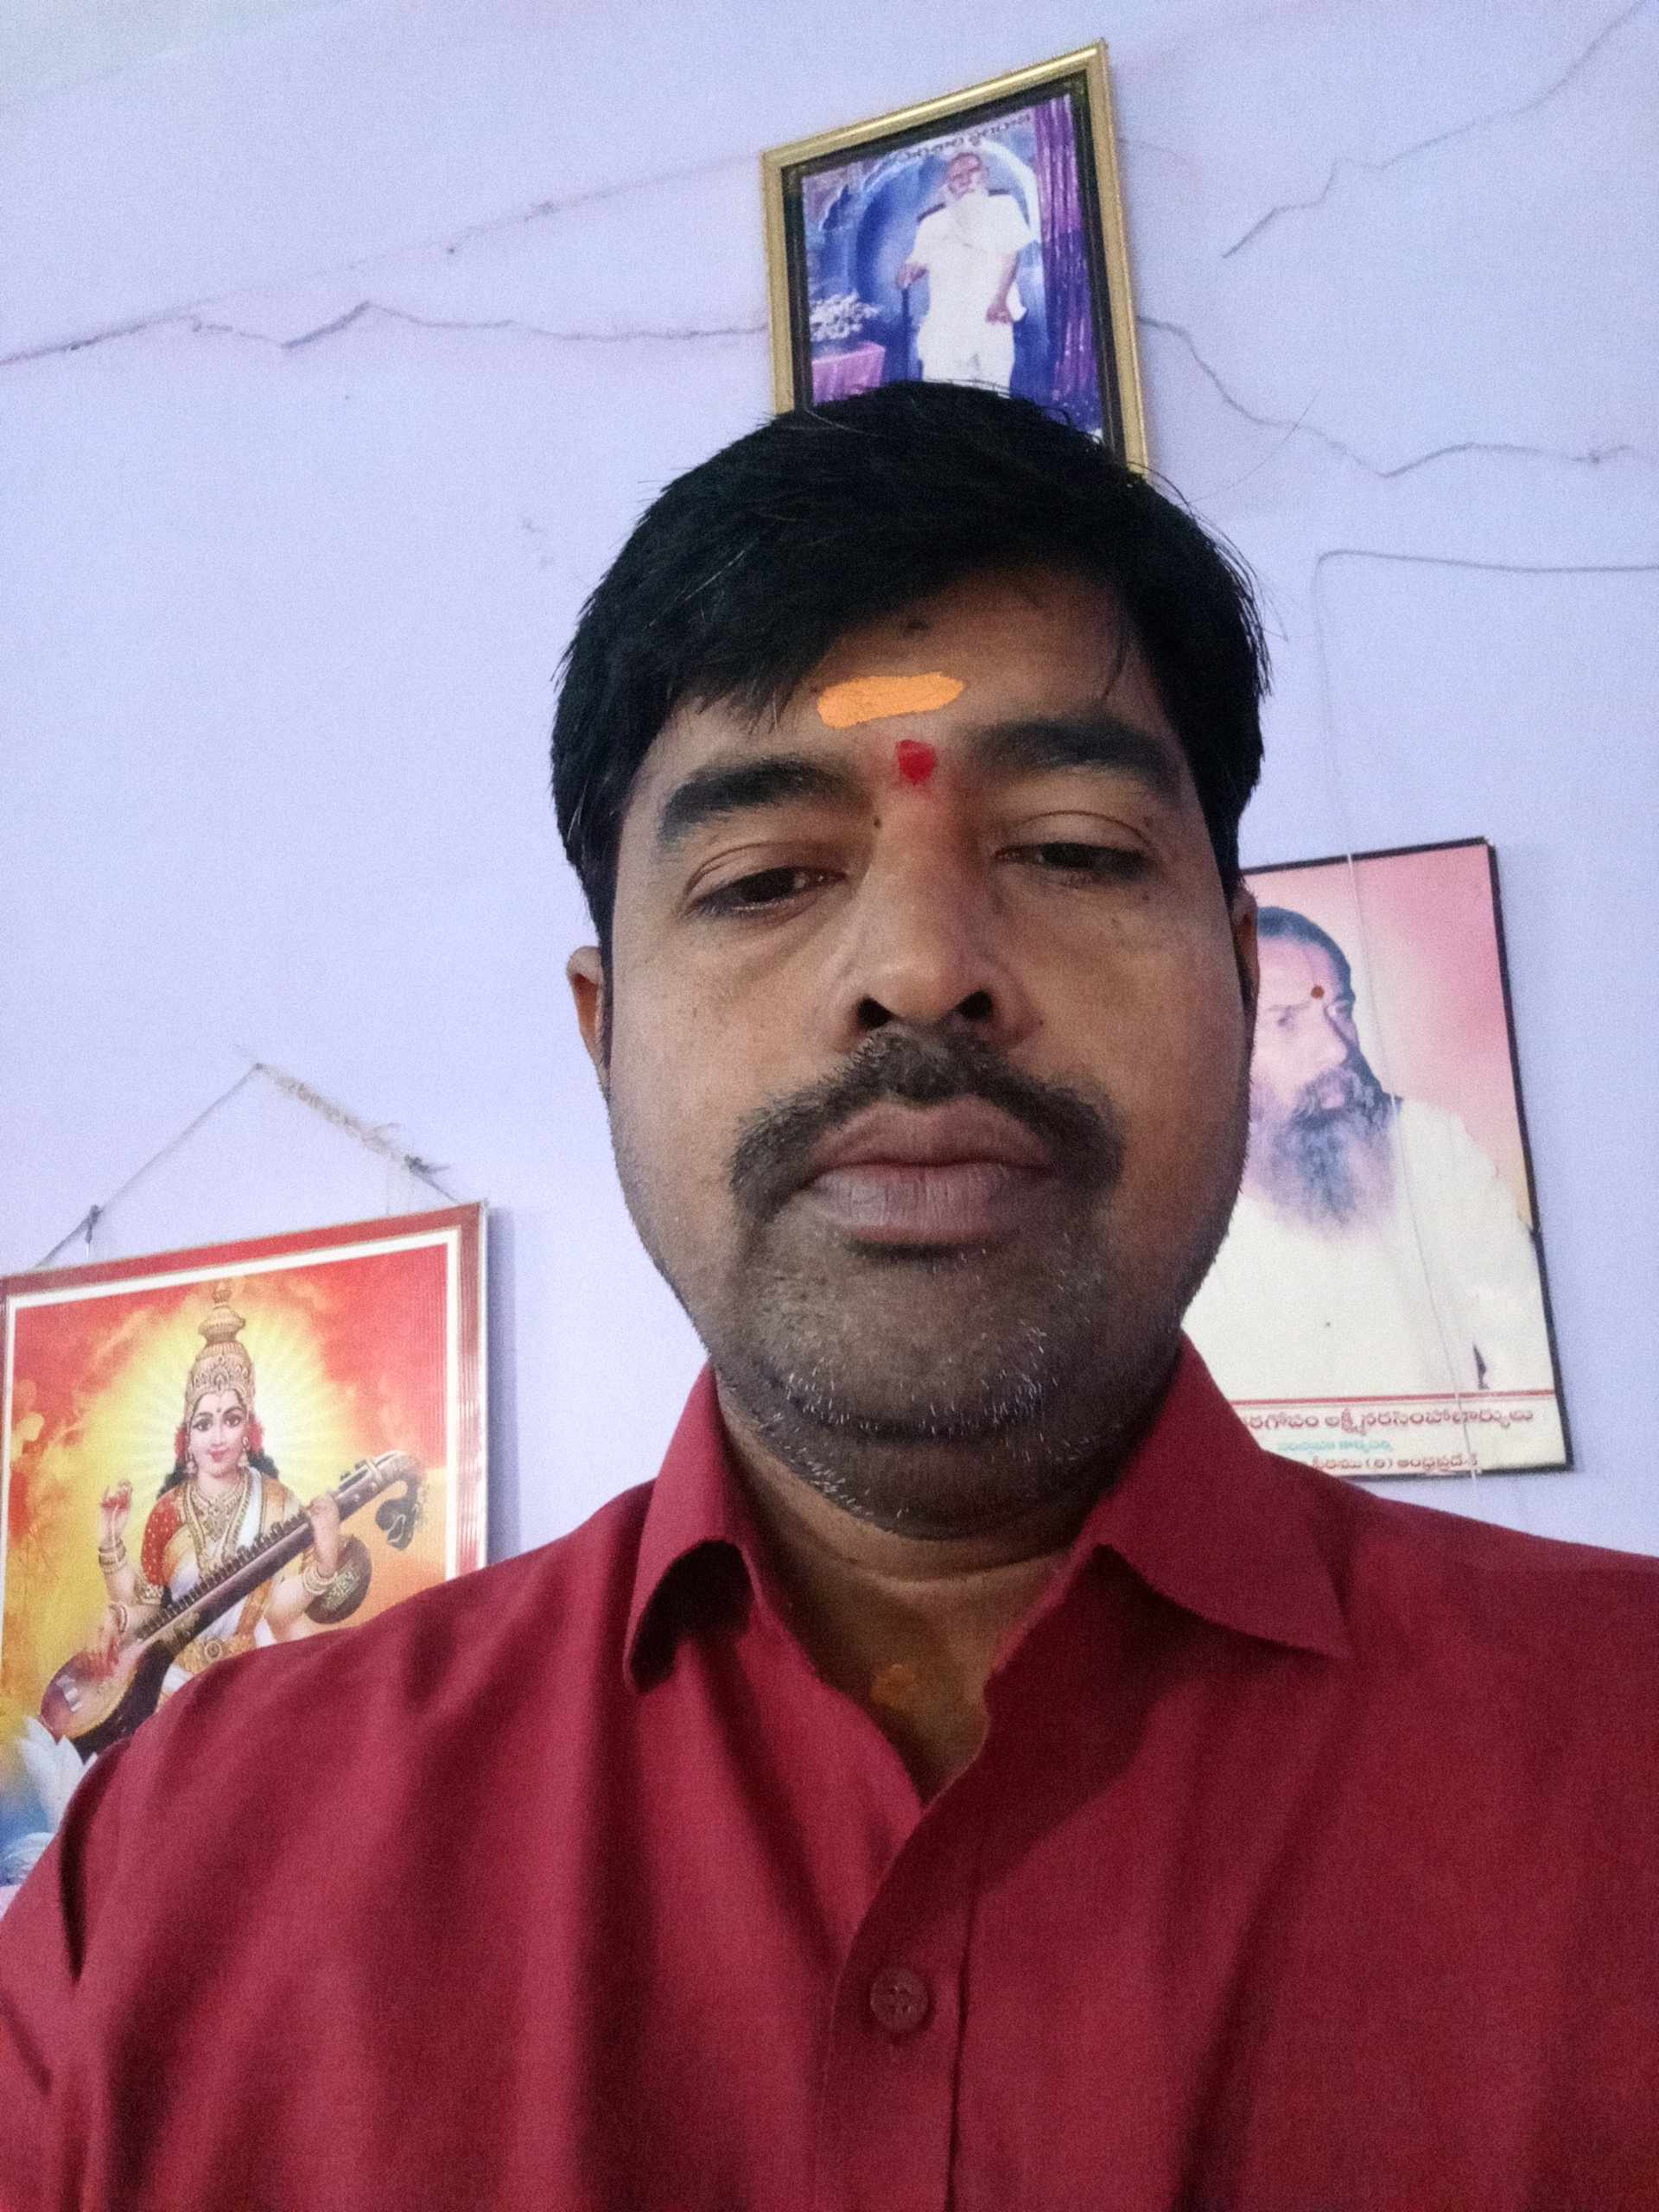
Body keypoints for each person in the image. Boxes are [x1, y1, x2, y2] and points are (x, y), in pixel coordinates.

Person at [1, 383, 1656, 2210]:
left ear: (1245, 984)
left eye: (1075, 850)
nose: (924, 968)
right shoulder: (177, 1866)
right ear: (603, 1033)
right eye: (769, 875)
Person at [1185, 906, 1558, 1406]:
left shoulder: (1429, 1144)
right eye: (1287, 1021)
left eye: (1340, 1010)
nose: (1337, 1049)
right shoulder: (1173, 1200)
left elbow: (1533, 1362)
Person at [90, 1282, 347, 1697]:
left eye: (231, 1419)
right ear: (187, 1437)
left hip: (252, 1682)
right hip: (176, 1690)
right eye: (204, 1423)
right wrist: (111, 1548)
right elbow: (153, 1614)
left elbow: (281, 1614)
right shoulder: (168, 1511)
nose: (218, 1438)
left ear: (248, 1430)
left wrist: (325, 1564)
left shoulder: (278, 1503)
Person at [896, 147, 1033, 393]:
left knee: (994, 392)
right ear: (948, 183)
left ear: (985, 174)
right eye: (957, 176)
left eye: (973, 171)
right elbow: (915, 265)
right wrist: (908, 273)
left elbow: (1011, 256)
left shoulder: (1003, 205)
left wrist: (1000, 299)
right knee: (945, 396)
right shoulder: (931, 221)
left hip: (991, 313)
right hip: (946, 320)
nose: (966, 179)